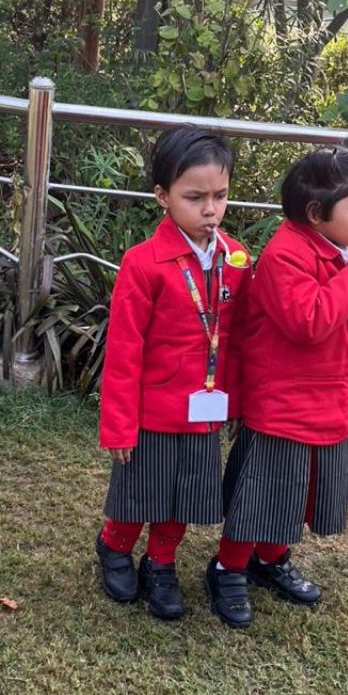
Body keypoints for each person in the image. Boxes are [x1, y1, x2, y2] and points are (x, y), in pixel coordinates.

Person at [205, 147, 348, 628]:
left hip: (329, 397)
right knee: (263, 492)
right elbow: (310, 320)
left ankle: (270, 559)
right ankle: (229, 567)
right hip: (282, 403)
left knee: (301, 491)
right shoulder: (286, 255)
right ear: (317, 213)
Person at [95, 125, 252, 620]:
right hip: (152, 413)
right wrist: (119, 426)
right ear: (162, 196)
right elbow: (124, 351)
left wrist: (237, 400)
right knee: (137, 493)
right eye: (195, 197)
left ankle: (160, 562)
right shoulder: (143, 264)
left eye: (220, 196)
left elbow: (239, 338)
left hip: (204, 412)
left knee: (185, 495)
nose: (211, 210)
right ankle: (115, 546)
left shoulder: (235, 259)